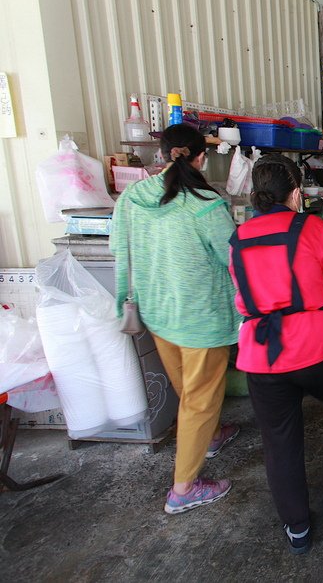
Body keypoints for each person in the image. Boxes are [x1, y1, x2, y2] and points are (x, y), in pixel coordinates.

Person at [228, 154, 323, 555]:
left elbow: (242, 294)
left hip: (261, 354)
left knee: (278, 439)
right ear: (295, 192)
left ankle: (297, 527)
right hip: (314, 342)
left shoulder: (239, 237)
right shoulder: (309, 226)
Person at [111, 123, 240, 515]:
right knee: (200, 398)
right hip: (200, 316)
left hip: (155, 311)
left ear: (164, 154)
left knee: (188, 387)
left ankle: (212, 435)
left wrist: (123, 302)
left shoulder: (132, 197)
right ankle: (184, 488)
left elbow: (121, 252)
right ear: (200, 157)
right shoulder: (205, 203)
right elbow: (233, 260)